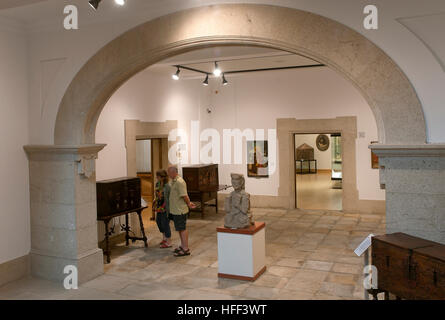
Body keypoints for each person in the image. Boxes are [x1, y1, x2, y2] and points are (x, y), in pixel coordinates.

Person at [167, 165, 196, 257]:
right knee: (179, 229)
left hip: (180, 210)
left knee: (182, 229)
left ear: (173, 172)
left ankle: (185, 249)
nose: (168, 174)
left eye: (169, 172)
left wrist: (189, 203)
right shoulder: (174, 181)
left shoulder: (180, 182)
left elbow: (184, 195)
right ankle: (183, 245)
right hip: (176, 210)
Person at [153, 170, 172, 248]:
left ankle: (169, 241)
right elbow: (157, 194)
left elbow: (169, 197)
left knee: (165, 223)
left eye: (158, 176)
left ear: (162, 177)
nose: (156, 177)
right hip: (159, 206)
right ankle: (164, 238)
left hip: (165, 207)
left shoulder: (167, 186)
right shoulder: (157, 184)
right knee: (158, 221)